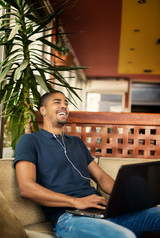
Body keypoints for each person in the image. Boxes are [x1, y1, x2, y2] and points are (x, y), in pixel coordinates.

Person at [14, 90, 160, 238]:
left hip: (101, 211)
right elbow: (26, 188)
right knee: (123, 236)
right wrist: (76, 202)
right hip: (69, 217)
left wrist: (125, 197)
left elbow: (101, 177)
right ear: (43, 110)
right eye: (57, 102)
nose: (64, 106)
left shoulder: (76, 142)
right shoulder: (30, 141)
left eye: (66, 103)